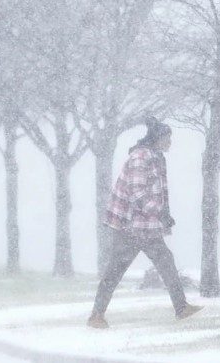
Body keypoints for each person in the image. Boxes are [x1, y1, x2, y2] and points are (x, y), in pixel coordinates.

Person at [87, 117, 203, 329]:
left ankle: (181, 307)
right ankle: (96, 315)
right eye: (168, 138)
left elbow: (159, 191)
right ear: (157, 138)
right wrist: (160, 213)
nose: (170, 142)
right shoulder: (141, 157)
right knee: (115, 270)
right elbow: (137, 192)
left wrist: (164, 213)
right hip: (130, 226)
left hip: (145, 226)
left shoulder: (156, 157)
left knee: (165, 261)